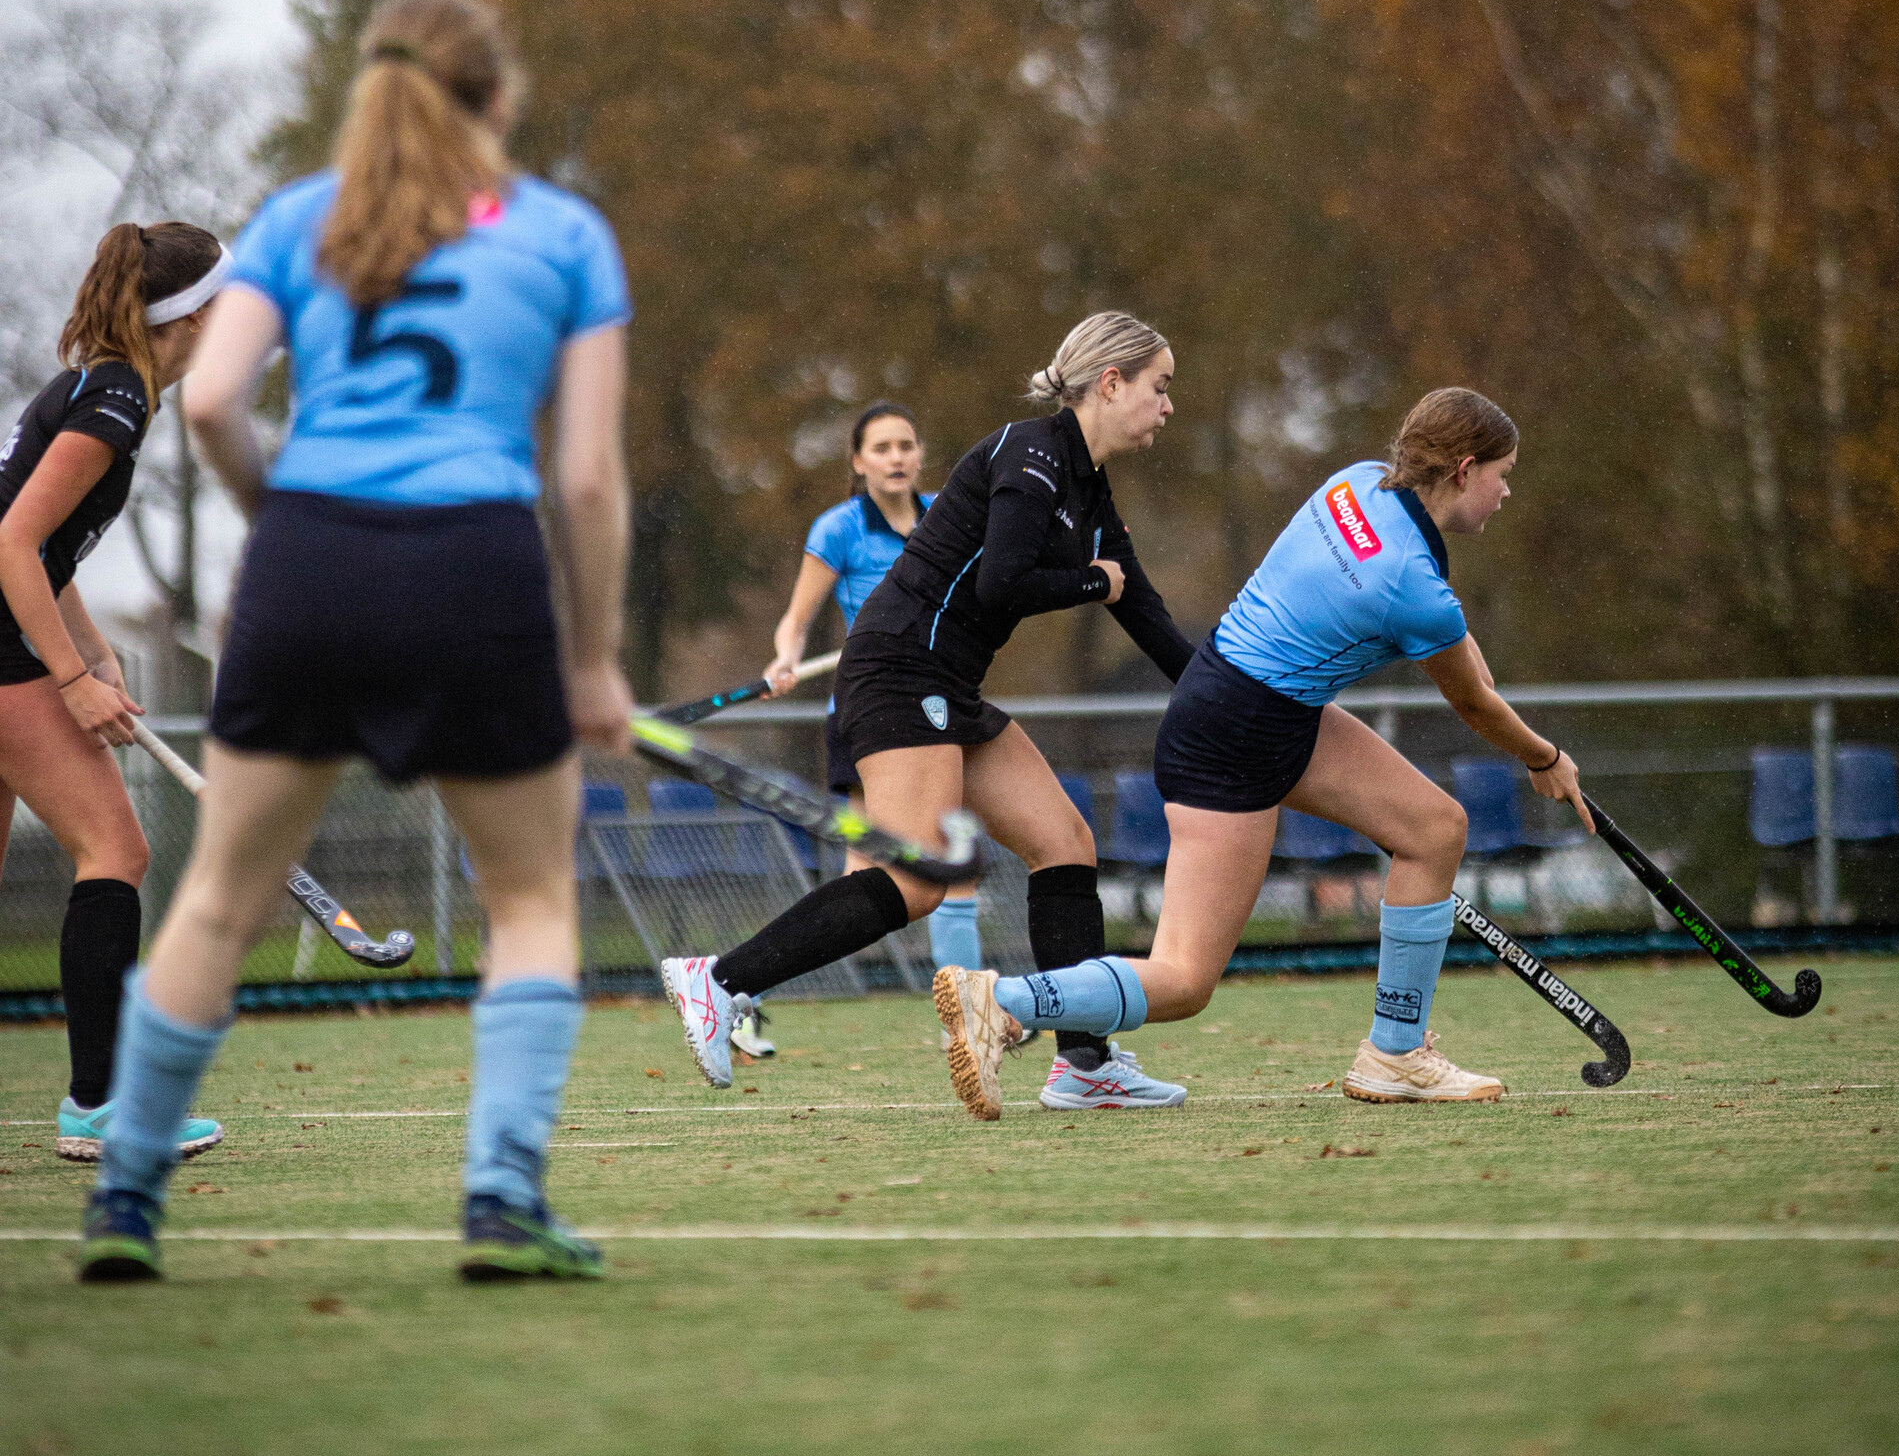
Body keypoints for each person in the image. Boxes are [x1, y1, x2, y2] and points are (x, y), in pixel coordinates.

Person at [76, 0, 635, 1284]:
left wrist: (286, 528)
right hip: (475, 566)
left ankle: (125, 1203)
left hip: (310, 559)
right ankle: (501, 1199)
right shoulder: (560, 233)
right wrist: (595, 658)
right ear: (497, 101)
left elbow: (212, 400)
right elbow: (592, 480)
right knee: (533, 898)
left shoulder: (295, 219)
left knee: (213, 899)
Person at [931, 387, 1592, 1119]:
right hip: (1238, 735)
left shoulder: (1357, 483)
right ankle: (1003, 1001)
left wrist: (1515, 722)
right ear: (1465, 470)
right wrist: (1543, 757)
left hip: (1253, 702)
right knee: (1183, 980)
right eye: (1503, 473)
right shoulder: (1412, 585)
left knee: (1434, 827)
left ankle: (1395, 1055)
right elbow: (1472, 701)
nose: (1507, 491)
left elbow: (1462, 655)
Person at [660, 314, 1195, 1112]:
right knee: (914, 882)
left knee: (1065, 843)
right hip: (901, 668)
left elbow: (1141, 605)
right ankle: (719, 981)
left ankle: (1083, 1062)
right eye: (1161, 387)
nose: (1168, 405)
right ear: (1110, 384)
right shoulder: (1032, 455)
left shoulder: (1084, 481)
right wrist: (1094, 583)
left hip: (948, 682)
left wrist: (1222, 692)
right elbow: (1002, 584)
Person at [0, 221, 229, 1165]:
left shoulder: (109, 388)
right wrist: (68, 680)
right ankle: (101, 1107)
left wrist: (97, 656)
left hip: (18, 634)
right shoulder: (118, 400)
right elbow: (11, 546)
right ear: (192, 318)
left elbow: (43, 549)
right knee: (116, 848)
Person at [757, 400, 981, 1010]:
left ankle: (965, 1010)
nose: (896, 458)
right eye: (881, 448)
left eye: (905, 445)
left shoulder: (947, 516)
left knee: (934, 861)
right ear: (858, 462)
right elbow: (795, 623)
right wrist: (784, 657)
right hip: (873, 709)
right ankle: (741, 985)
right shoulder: (839, 529)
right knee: (876, 876)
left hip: (940, 699)